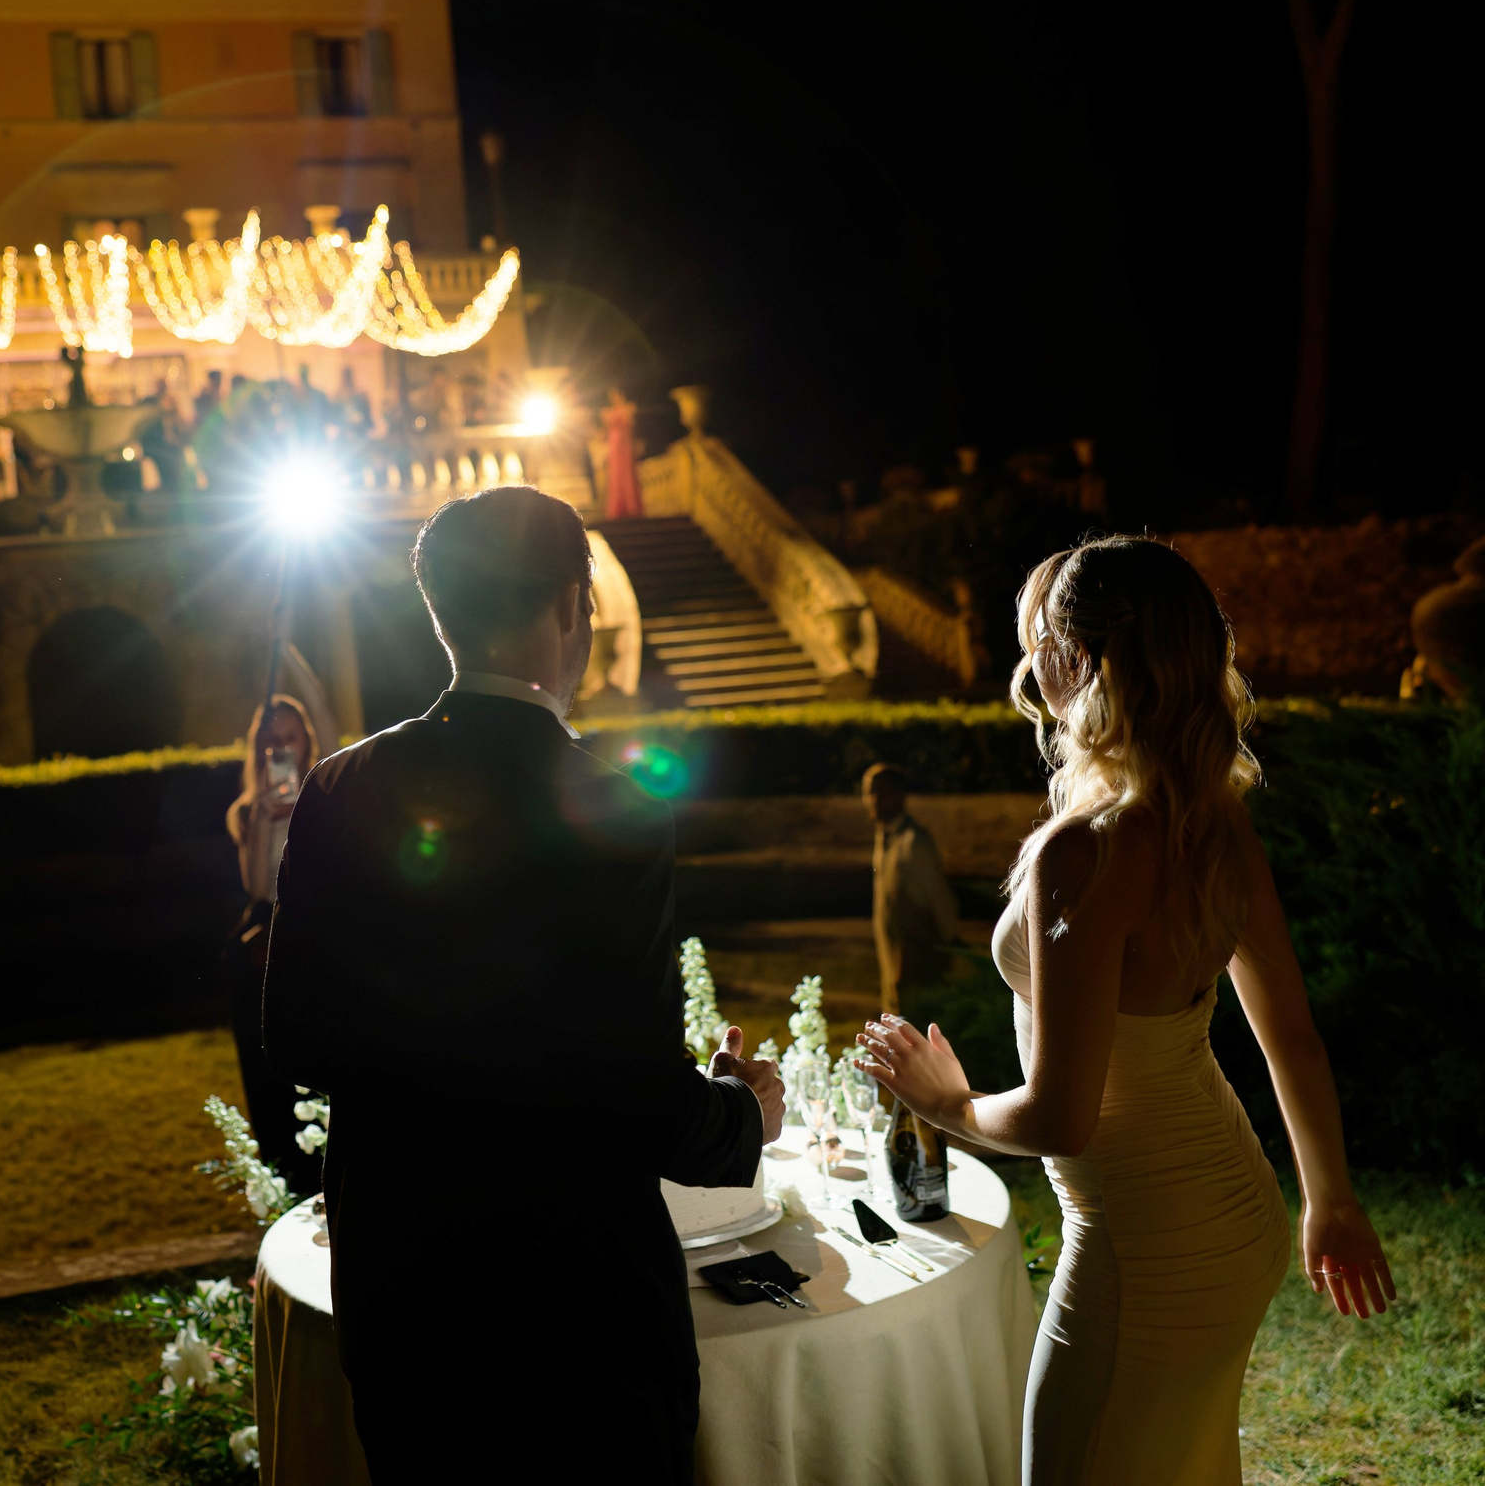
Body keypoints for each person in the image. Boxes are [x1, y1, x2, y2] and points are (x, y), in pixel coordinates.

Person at [264, 485, 783, 1484]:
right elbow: (638, 1097)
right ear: (572, 606)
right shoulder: (612, 807)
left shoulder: (339, 786)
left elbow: (298, 1040)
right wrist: (742, 1116)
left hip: (406, 1290)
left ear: (440, 616)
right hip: (577, 1309)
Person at [856, 537, 1392, 1486]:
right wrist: (1332, 1201)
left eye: (1039, 645)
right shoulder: (1212, 817)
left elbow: (1061, 1116)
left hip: (1144, 1246)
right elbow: (1293, 1037)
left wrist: (947, 1102)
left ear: (1077, 660)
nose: (1030, 670)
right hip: (1241, 1219)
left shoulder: (1086, 852)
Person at [222, 695, 321, 1197]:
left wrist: (292, 657)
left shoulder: (325, 795)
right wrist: (265, 816)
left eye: (290, 738)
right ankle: (286, 1180)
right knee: (269, 1075)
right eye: (271, 741)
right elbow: (259, 887)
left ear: (306, 742)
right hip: (265, 942)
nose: (281, 749)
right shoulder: (247, 810)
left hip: (313, 941)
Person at [862, 762, 963, 1015]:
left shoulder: (914, 843)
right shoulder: (884, 838)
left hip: (917, 972)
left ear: (900, 795)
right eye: (871, 793)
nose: (875, 800)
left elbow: (942, 905)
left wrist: (946, 950)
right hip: (893, 968)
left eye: (883, 793)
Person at [602, 386, 645, 519]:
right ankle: (617, 507)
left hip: (625, 445)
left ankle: (631, 506)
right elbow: (605, 431)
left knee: (627, 473)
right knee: (616, 474)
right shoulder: (607, 412)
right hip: (614, 446)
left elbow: (633, 425)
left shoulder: (629, 408)